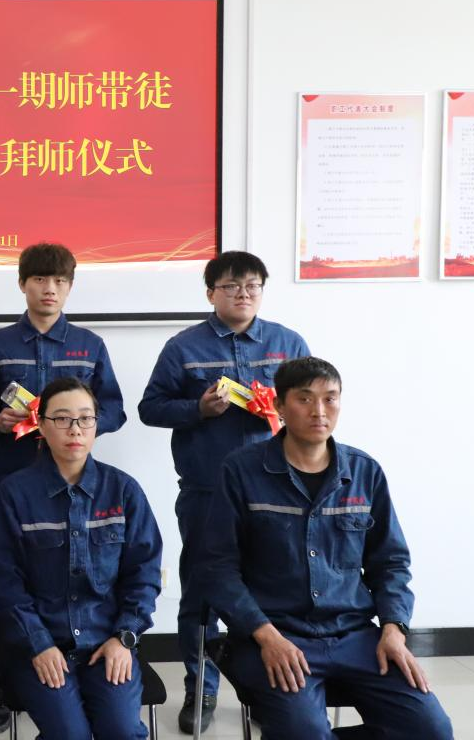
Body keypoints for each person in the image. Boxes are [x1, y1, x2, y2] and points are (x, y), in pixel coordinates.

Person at [200, 357, 453, 739]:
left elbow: (391, 563)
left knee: (431, 730)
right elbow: (217, 568)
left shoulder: (364, 472)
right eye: (304, 399)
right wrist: (266, 636)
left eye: (330, 399)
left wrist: (393, 629)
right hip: (274, 633)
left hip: (355, 635)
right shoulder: (242, 471)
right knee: (304, 732)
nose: (319, 411)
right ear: (279, 406)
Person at [137, 250, 308, 733]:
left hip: (276, 492)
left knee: (271, 590)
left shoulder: (287, 343)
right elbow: (150, 408)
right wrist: (199, 409)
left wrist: (280, 409)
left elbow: (310, 404)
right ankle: (202, 686)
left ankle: (268, 687)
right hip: (206, 491)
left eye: (252, 286)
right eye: (231, 286)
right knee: (202, 593)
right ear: (211, 292)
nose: (243, 294)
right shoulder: (183, 346)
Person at [0, 242, 127, 735]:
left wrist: (77, 423)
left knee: (76, 578)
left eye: (59, 281)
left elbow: (115, 410)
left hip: (78, 483)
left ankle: (78, 675)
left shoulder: (89, 345)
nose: (49, 289)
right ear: (22, 284)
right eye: (39, 279)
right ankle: (3, 690)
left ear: (70, 286)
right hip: (13, 483)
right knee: (7, 583)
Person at [0, 377, 162, 739]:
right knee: (70, 735)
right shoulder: (13, 494)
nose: (75, 429)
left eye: (85, 418)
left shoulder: (124, 491)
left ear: (96, 424)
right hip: (39, 646)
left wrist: (124, 637)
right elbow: (5, 584)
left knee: (122, 730)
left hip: (107, 642)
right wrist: (39, 644)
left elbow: (144, 574)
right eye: (62, 418)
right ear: (41, 424)